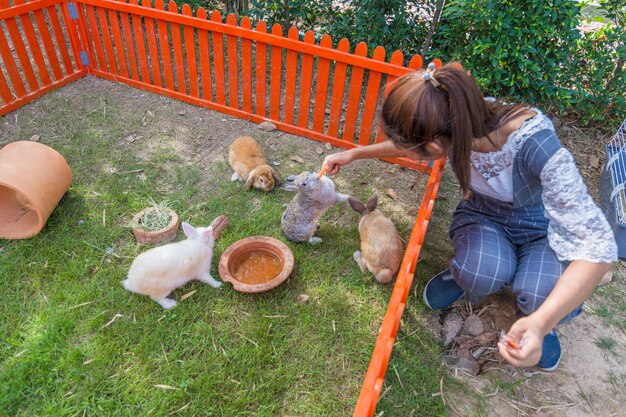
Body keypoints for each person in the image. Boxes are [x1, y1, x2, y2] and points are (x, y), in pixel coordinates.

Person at [322, 62, 617, 371]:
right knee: (481, 270)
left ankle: (543, 321)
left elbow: (598, 249)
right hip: (486, 214)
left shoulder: (534, 143)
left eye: (414, 148)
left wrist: (541, 323)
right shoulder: (451, 115)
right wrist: (354, 153)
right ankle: (465, 277)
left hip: (543, 229)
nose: (406, 151)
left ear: (435, 145)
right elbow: (410, 145)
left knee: (541, 295)